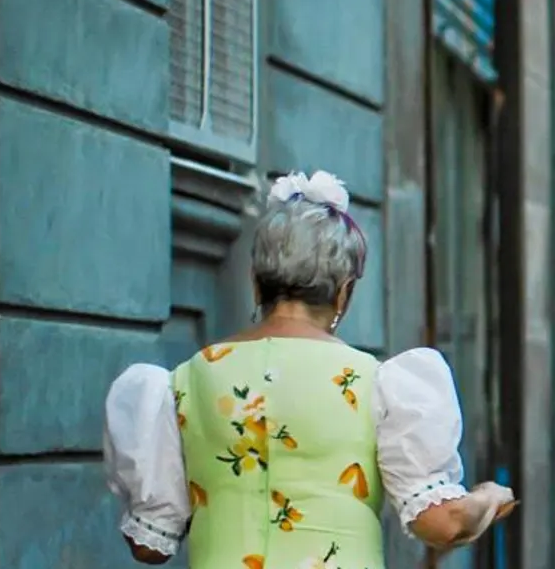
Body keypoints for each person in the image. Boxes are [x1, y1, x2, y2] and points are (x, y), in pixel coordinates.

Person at [102, 170, 515, 568]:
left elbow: (150, 545)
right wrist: (488, 497)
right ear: (344, 292)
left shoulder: (184, 381)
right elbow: (441, 524)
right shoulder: (377, 383)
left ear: (256, 282)